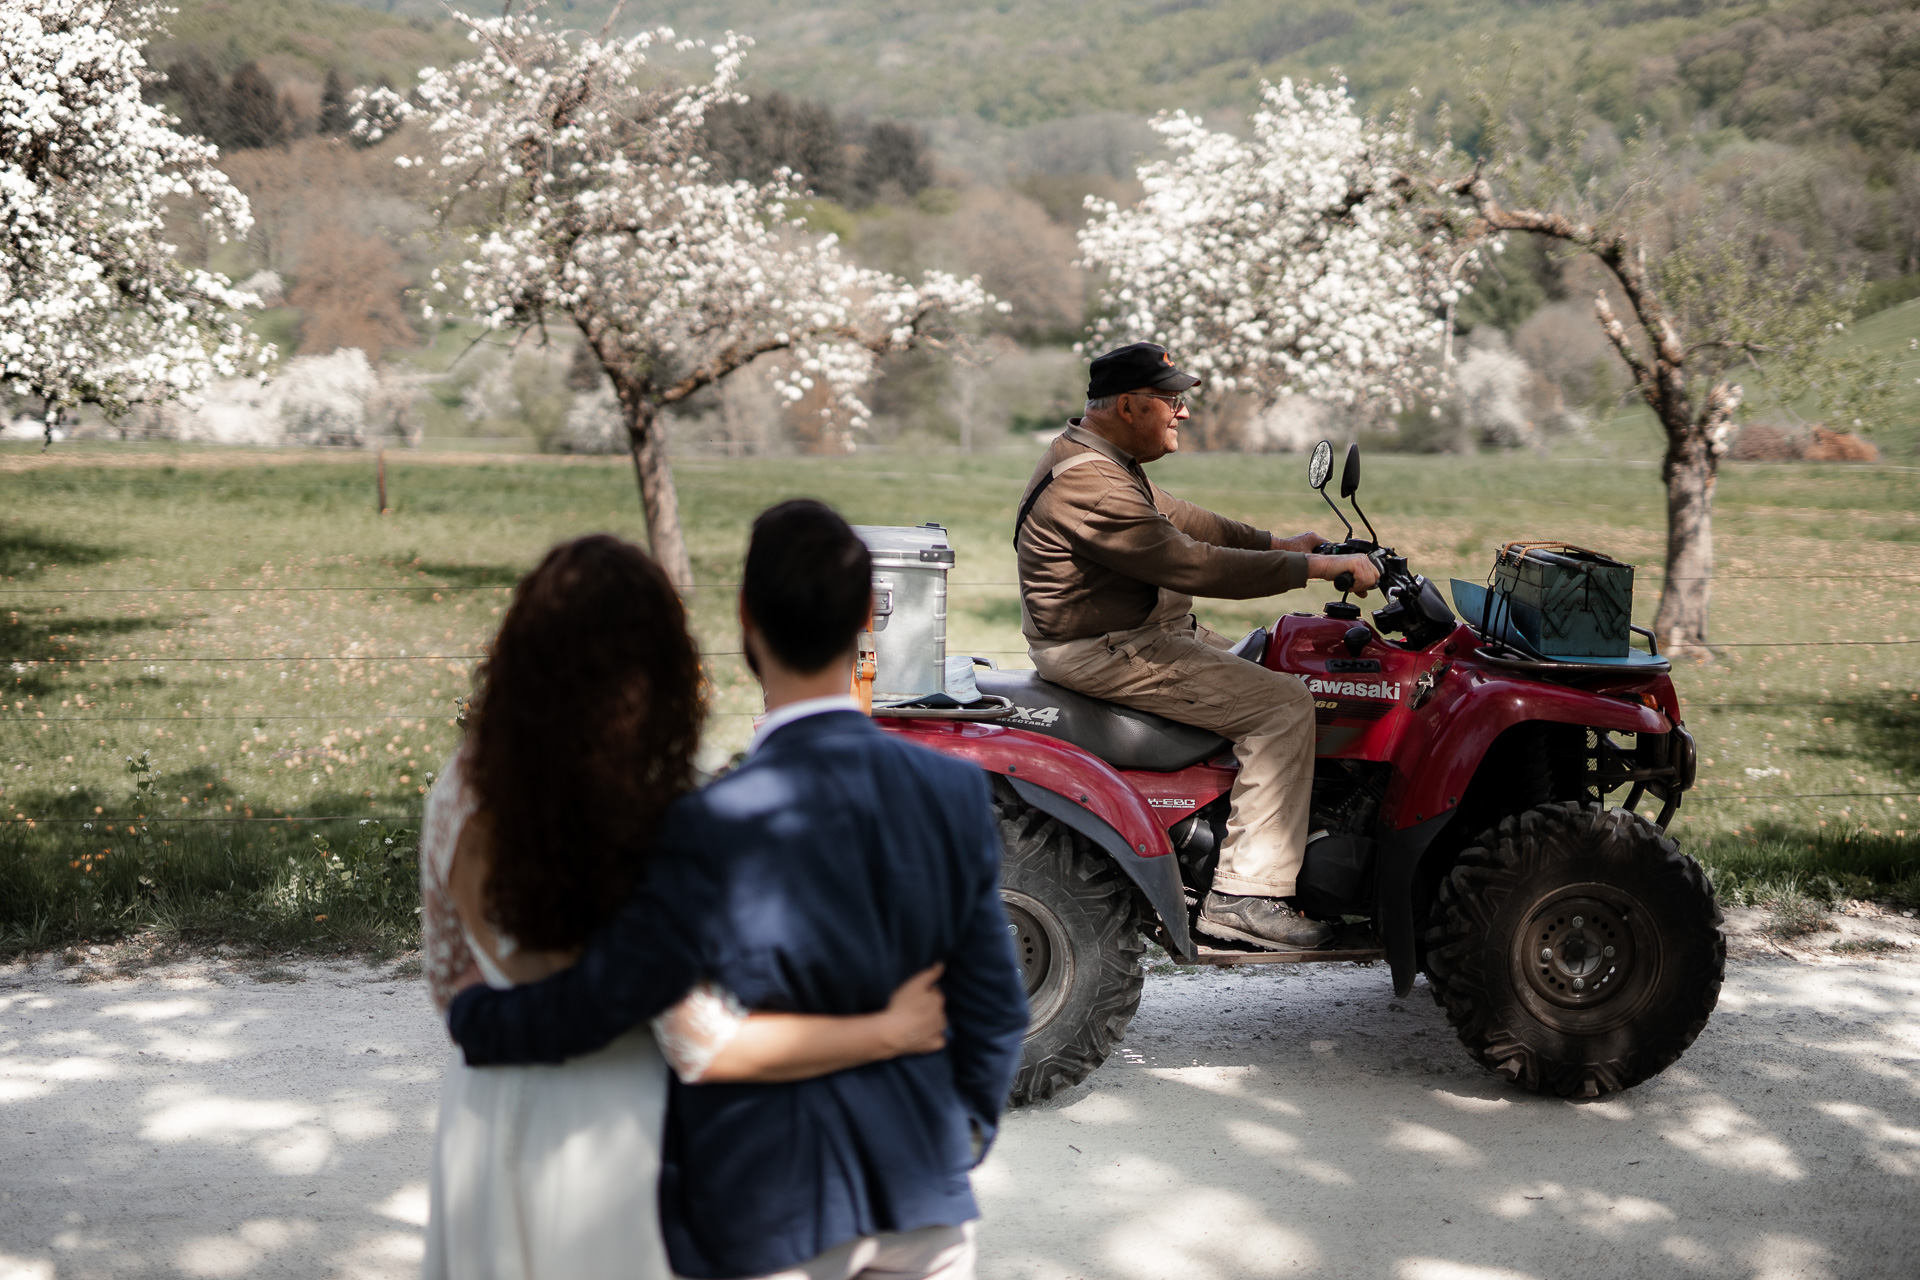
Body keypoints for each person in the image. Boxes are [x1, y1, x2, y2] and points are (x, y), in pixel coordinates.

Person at [445, 501, 1030, 1280]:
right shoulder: (953, 794)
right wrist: (952, 1141)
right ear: (866, 616)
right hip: (919, 1200)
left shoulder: (703, 823)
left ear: (746, 617)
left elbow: (609, 996)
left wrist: (479, 1016)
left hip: (764, 1214)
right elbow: (996, 1010)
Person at [1015, 342, 1381, 951]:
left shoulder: (1100, 460)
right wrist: (1311, 566)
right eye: (1171, 400)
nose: (1182, 412)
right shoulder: (1091, 484)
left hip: (1134, 635)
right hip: (1105, 648)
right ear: (1130, 406)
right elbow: (1193, 564)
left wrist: (1285, 542)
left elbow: (1189, 522)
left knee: (1281, 658)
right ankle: (1247, 896)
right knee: (1284, 705)